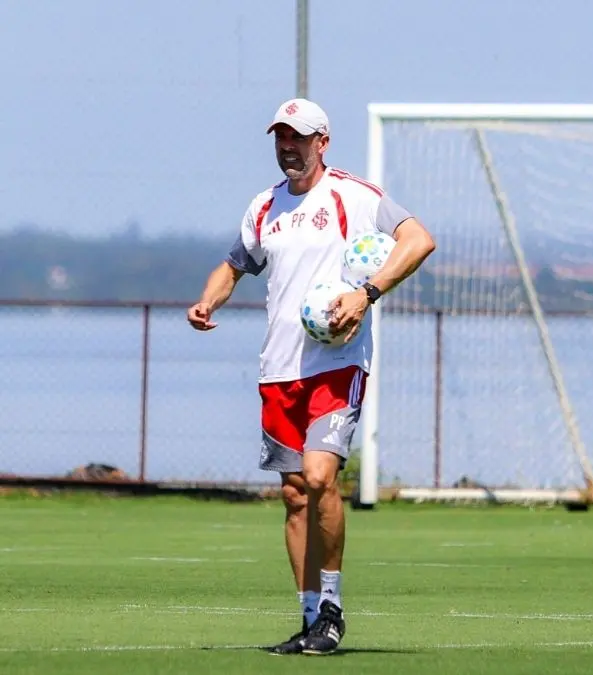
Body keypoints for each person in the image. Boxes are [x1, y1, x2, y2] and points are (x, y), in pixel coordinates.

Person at [186, 98, 436, 655]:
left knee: (321, 477)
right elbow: (234, 265)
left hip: (337, 364)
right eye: (280, 137)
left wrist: (367, 294)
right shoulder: (264, 207)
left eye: (298, 137)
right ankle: (306, 620)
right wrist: (207, 301)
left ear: (323, 142)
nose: (287, 147)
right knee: (296, 496)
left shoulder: (354, 194)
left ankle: (332, 609)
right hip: (278, 371)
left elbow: (418, 240)